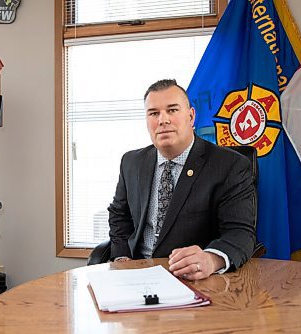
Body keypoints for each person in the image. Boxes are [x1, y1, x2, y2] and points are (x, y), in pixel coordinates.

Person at [107, 79, 256, 280]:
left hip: (195, 279)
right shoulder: (131, 162)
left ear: (191, 116)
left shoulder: (230, 166)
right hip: (137, 277)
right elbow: (119, 216)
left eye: (172, 110)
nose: (163, 120)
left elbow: (240, 232)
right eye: (154, 113)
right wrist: (122, 258)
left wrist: (211, 260)